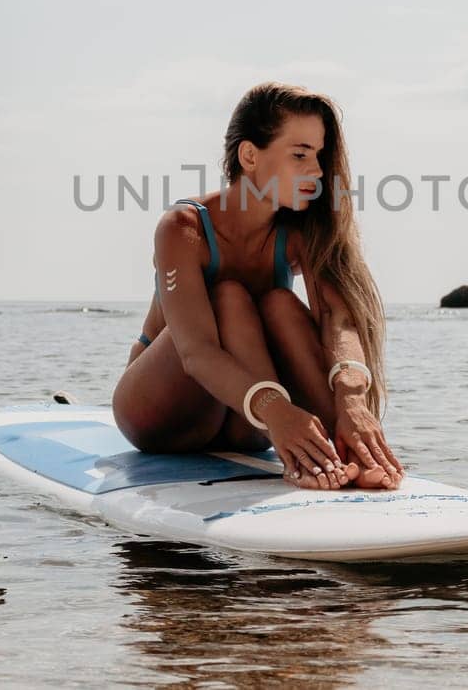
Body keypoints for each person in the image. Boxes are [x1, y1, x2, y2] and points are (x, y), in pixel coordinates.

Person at [111, 81, 405, 491]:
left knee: (280, 304)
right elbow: (196, 352)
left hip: (246, 422)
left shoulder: (299, 231)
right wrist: (278, 410)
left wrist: (352, 399)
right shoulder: (184, 227)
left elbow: (338, 318)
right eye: (300, 155)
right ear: (249, 155)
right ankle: (309, 444)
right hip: (163, 410)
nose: (318, 172)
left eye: (319, 156)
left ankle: (346, 451)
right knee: (229, 297)